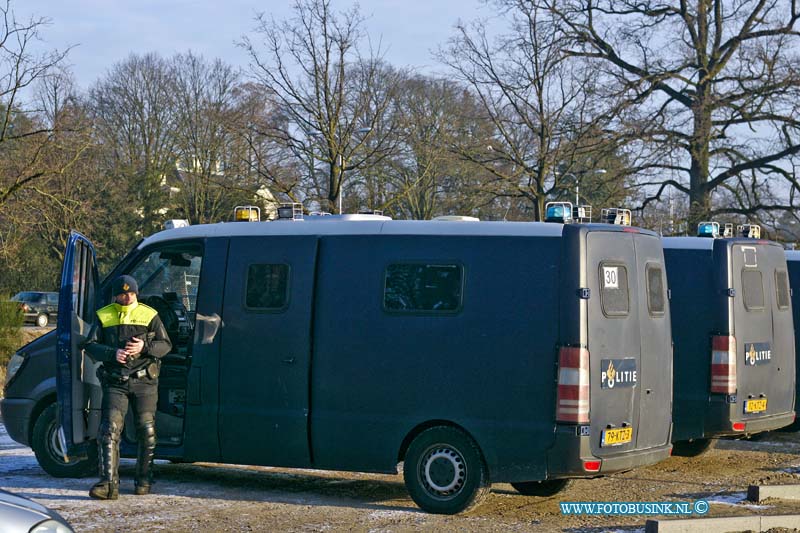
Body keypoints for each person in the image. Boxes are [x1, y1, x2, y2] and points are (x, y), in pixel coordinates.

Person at [84, 275, 172, 500]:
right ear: (116, 295)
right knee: (109, 430)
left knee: (146, 430)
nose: (127, 297)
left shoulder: (149, 314)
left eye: (131, 293)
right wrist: (112, 353)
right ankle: (108, 485)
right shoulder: (104, 315)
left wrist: (144, 346)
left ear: (136, 293)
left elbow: (166, 345)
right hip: (116, 382)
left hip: (145, 382)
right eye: (123, 294)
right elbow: (90, 346)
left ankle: (143, 480)